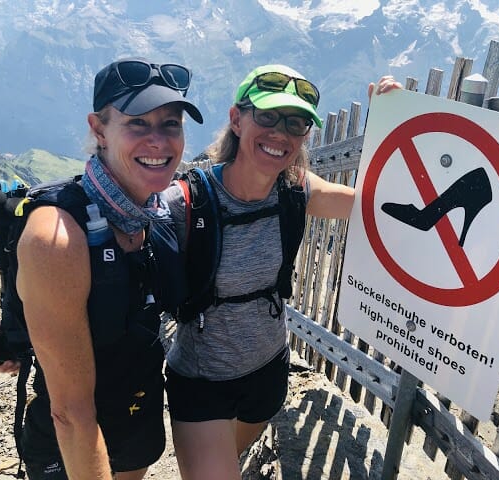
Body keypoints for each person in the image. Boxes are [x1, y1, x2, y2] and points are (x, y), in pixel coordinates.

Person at [162, 64, 401, 480]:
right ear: (237, 120)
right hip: (203, 381)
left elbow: (375, 204)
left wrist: (389, 128)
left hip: (269, 374)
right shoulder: (187, 202)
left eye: (295, 123)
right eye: (268, 116)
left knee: (227, 461)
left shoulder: (297, 191)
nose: (281, 133)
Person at [0, 58, 203, 480]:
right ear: (99, 129)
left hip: (136, 418)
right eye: (138, 123)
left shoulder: (153, 213)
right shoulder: (57, 235)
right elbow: (71, 414)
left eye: (171, 124)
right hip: (72, 444)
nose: (158, 141)